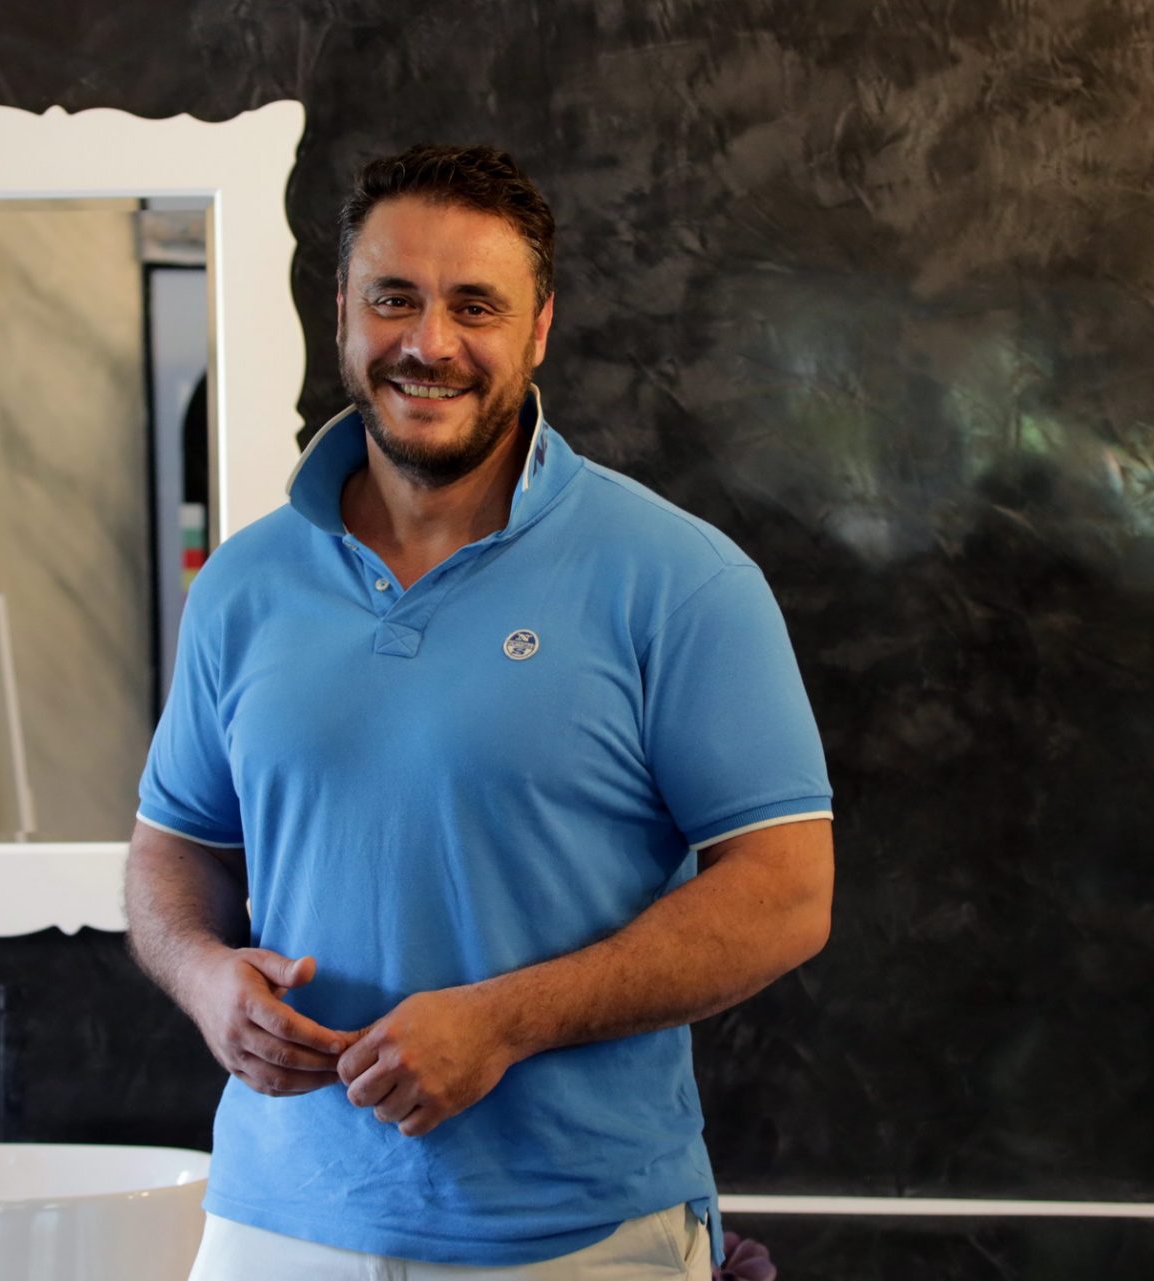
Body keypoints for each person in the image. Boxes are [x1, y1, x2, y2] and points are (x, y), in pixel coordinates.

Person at [124, 144, 835, 1281]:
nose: (429, 342)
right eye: (393, 298)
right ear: (342, 311)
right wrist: (205, 976)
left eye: (475, 306)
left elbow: (788, 892)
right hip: (271, 1226)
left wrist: (507, 1020)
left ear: (539, 327)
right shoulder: (243, 586)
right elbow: (174, 849)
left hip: (579, 1240)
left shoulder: (679, 579)